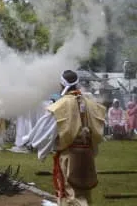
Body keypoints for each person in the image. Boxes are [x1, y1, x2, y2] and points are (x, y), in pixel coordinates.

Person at [22, 70, 105, 206]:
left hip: (69, 155)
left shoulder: (60, 106)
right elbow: (99, 124)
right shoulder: (89, 102)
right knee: (83, 191)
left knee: (70, 192)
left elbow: (46, 129)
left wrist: (33, 141)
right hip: (87, 153)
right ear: (77, 84)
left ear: (62, 85)